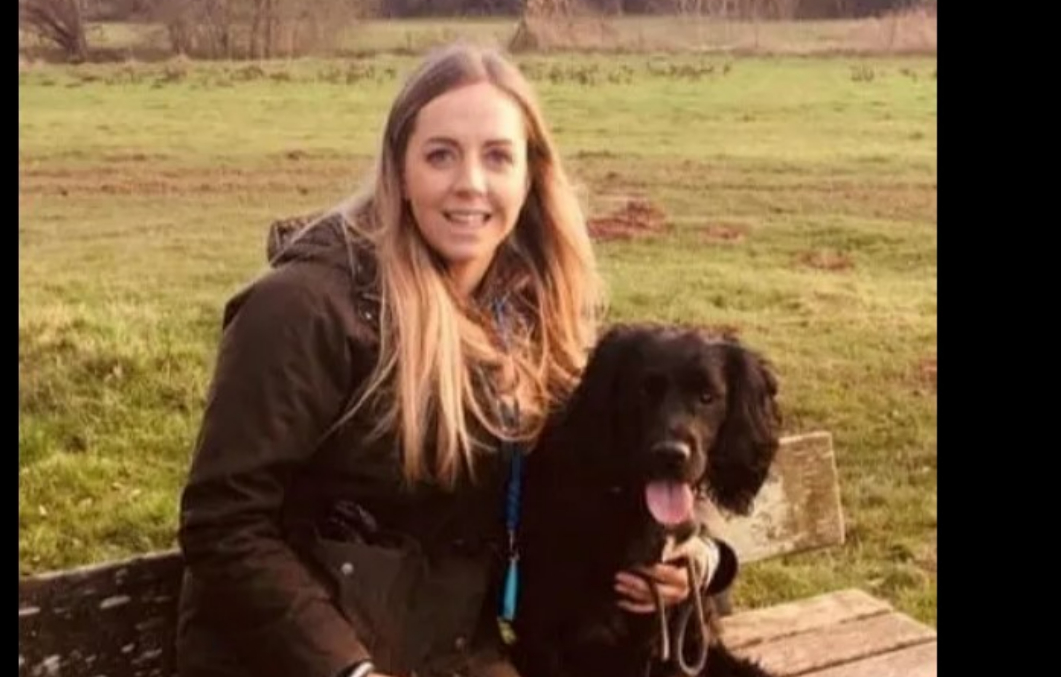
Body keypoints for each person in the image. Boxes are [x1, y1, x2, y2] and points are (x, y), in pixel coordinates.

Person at [174, 42, 739, 677]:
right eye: (440, 154)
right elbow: (225, 523)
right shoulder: (302, 309)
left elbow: (606, 464)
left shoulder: (530, 317)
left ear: (529, 177)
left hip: (453, 655)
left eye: (497, 156)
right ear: (399, 170)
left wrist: (704, 557)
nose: (470, 182)